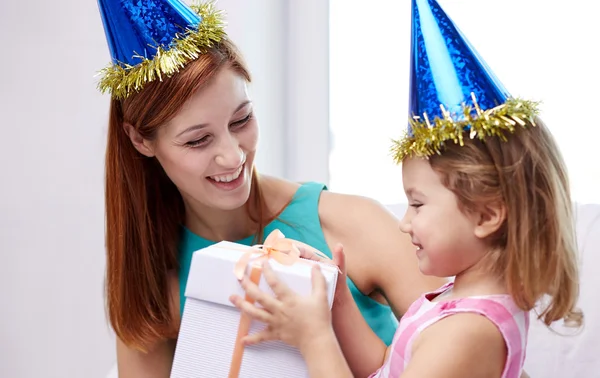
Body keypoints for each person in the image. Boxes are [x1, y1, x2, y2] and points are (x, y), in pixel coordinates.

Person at [229, 0, 582, 377]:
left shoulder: (467, 332)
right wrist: (338, 301)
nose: (404, 222)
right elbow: (386, 365)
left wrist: (315, 338)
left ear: (487, 214)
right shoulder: (453, 301)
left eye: (418, 203)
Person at [95, 1, 444, 376]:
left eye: (241, 119)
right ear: (141, 140)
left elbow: (481, 348)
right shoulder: (153, 273)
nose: (231, 157)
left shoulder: (352, 224)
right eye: (198, 141)